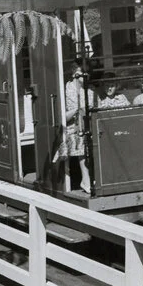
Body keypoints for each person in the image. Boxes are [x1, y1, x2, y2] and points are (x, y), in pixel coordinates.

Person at [62, 60, 95, 194]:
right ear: (74, 73)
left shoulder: (90, 91)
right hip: (69, 128)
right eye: (82, 73)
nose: (85, 76)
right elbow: (61, 116)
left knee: (87, 135)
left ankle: (92, 177)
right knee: (80, 138)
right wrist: (77, 109)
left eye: (87, 73)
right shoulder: (65, 89)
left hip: (85, 126)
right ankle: (85, 180)